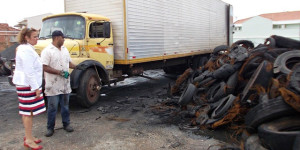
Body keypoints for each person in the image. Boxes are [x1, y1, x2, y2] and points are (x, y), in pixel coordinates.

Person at [13, 28, 45, 150]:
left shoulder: (27, 48)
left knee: (29, 112)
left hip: (28, 84)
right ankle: (28, 139)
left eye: (37, 36)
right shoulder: (25, 50)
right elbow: (29, 71)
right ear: (26, 37)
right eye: (34, 37)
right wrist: (36, 87)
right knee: (28, 112)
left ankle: (29, 136)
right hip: (27, 85)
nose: (37, 39)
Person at [41, 30, 76, 137]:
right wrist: (59, 72)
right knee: (53, 107)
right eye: (62, 38)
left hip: (64, 84)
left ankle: (66, 124)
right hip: (53, 85)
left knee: (65, 106)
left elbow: (68, 62)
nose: (64, 39)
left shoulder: (65, 50)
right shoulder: (47, 51)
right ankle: (50, 128)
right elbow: (44, 67)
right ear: (56, 38)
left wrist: (77, 67)